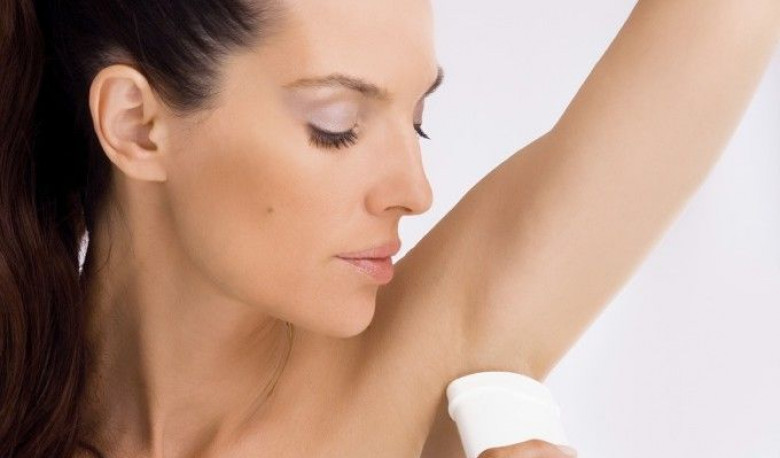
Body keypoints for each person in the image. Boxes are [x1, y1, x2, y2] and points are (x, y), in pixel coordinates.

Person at [1, 0, 778, 457]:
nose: (416, 191)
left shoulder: (417, 370)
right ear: (137, 125)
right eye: (337, 126)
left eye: (419, 120)